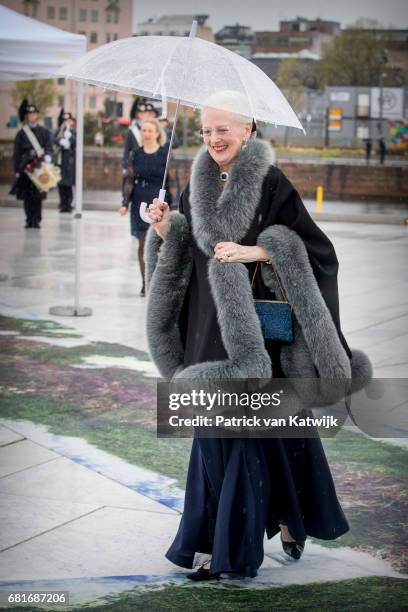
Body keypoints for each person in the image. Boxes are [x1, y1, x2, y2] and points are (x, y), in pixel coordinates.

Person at [144, 90, 372, 581]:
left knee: (251, 435)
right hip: (207, 326)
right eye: (206, 130)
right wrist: (166, 230)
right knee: (218, 435)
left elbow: (316, 251)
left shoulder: (271, 182)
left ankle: (230, 549)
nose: (213, 138)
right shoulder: (197, 179)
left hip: (256, 338)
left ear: (248, 128)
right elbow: (189, 253)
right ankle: (250, 528)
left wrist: (258, 252)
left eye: (223, 129)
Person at [119, 117, 172, 296]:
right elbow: (128, 179)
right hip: (140, 202)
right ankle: (146, 282)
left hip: (158, 200)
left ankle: (158, 280)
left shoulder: (165, 153)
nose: (147, 134)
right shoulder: (136, 153)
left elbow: (173, 181)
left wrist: (173, 205)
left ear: (157, 133)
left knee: (159, 243)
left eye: (150, 130)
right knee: (142, 244)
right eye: (144, 130)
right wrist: (125, 202)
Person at [10, 99, 53, 229]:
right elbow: (17, 152)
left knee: (38, 196)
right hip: (26, 168)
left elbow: (49, 148)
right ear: (27, 116)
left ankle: (37, 220)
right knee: (27, 196)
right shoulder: (22, 133)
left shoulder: (44, 132)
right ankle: (29, 219)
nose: (32, 116)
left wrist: (48, 157)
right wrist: (17, 169)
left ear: (37, 115)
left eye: (34, 114)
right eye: (29, 114)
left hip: (39, 167)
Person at [54, 110, 76, 213]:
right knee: (61, 183)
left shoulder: (73, 132)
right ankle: (62, 204)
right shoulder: (59, 131)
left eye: (68, 119)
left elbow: (76, 142)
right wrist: (60, 141)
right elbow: (53, 139)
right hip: (60, 161)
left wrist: (70, 138)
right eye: (65, 120)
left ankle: (69, 204)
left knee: (69, 184)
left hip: (70, 162)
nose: (66, 121)